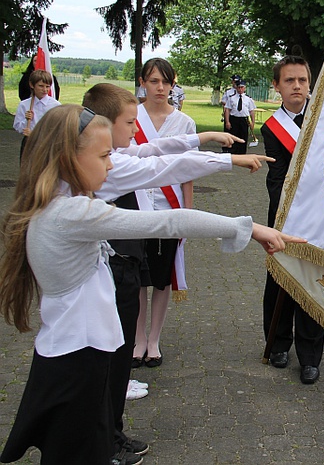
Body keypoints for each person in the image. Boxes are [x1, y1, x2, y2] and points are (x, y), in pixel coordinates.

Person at [0, 104, 302, 465]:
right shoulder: (71, 214)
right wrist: (249, 229)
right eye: (104, 155)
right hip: (76, 364)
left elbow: (155, 165)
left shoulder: (63, 204)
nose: (111, 164)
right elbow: (168, 223)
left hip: (76, 357)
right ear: (67, 158)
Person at [83, 82, 273, 464]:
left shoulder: (110, 155)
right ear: (101, 126)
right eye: (129, 121)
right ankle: (105, 440)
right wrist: (227, 162)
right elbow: (162, 169)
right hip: (111, 270)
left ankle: (108, 432)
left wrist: (201, 136)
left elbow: (154, 151)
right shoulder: (111, 166)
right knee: (108, 358)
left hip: (114, 268)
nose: (136, 130)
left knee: (114, 356)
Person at [261, 55, 324, 384]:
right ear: (277, 86)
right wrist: (286, 209)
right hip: (284, 217)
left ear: (310, 83)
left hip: (319, 217)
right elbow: (277, 177)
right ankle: (278, 344)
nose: (297, 86)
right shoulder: (271, 127)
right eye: (289, 80)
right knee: (280, 281)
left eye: (302, 80)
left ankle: (311, 355)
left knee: (313, 284)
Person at [132, 58, 196, 370]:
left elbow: (188, 171)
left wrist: (187, 212)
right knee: (136, 277)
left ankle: (154, 339)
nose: (160, 88)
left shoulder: (184, 123)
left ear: (173, 85)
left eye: (165, 82)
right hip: (134, 209)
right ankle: (137, 340)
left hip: (169, 211)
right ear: (143, 82)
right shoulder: (131, 117)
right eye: (154, 81)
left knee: (161, 278)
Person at [13, 69, 61, 159]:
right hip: (29, 144)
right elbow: (17, 126)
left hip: (46, 143)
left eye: (47, 86)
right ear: (32, 85)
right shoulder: (24, 104)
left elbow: (58, 127)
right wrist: (25, 121)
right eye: (41, 86)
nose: (45, 90)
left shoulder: (55, 105)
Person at [224, 80, 257, 154]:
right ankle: (232, 152)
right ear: (236, 88)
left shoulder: (248, 99)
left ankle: (242, 152)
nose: (240, 89)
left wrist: (252, 122)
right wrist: (227, 121)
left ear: (245, 88)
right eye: (238, 87)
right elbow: (227, 110)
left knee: (243, 136)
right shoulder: (231, 98)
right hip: (234, 119)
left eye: (242, 87)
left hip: (243, 119)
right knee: (233, 135)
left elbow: (252, 111)